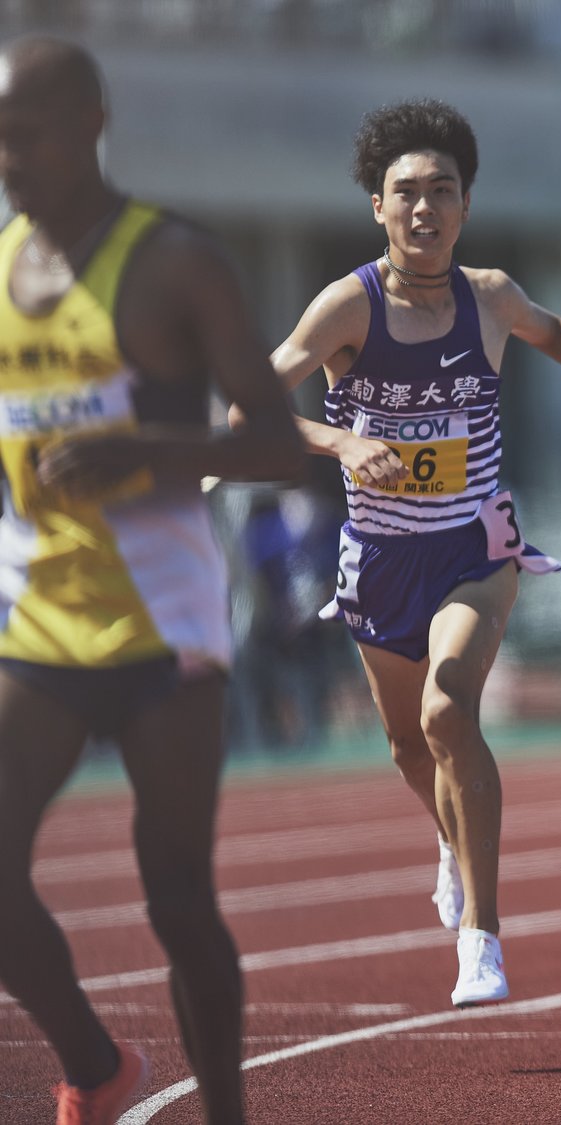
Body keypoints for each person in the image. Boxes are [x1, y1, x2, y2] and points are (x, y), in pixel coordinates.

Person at [258, 99, 561, 1008]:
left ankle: (483, 935)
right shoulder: (347, 305)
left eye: (443, 191)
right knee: (406, 744)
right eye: (406, 193)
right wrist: (341, 444)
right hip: (380, 556)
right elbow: (252, 403)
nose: (424, 209)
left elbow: (560, 335)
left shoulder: (492, 296)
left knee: (445, 712)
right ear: (377, 207)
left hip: (475, 544)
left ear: (465, 207)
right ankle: (449, 839)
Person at [0, 35, 303, 1125]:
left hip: (164, 624)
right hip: (40, 617)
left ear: (88, 124)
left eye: (24, 134)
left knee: (177, 898)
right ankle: (96, 1067)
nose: (6, 157)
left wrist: (150, 458)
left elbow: (278, 442)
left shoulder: (179, 261)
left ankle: (224, 1114)